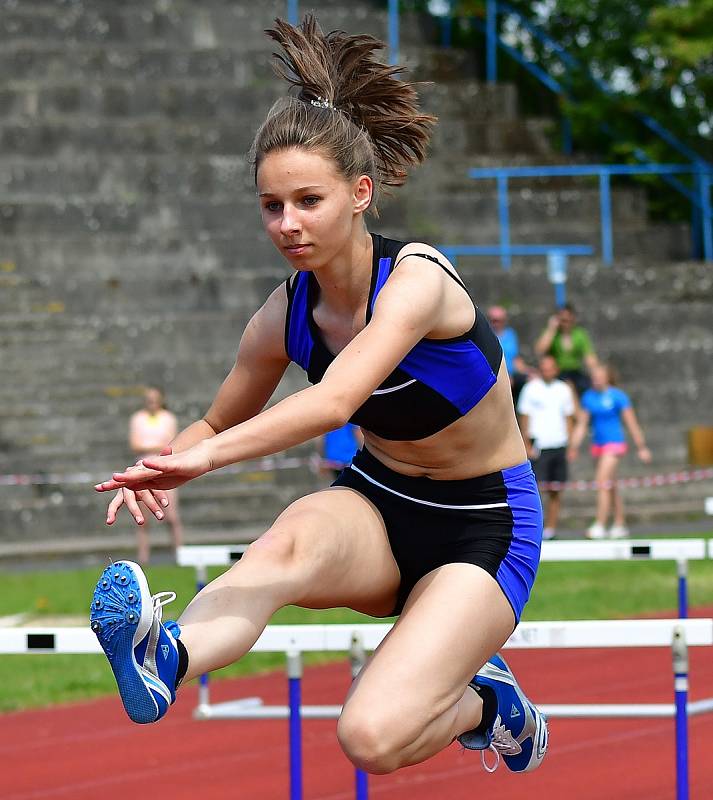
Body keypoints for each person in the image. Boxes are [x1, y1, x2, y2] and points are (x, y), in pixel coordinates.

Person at [89, 16, 547, 777]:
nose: (288, 223)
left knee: (370, 739)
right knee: (279, 551)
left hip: (483, 525)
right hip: (377, 501)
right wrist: (162, 462)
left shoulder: (418, 281)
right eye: (272, 205)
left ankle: (492, 706)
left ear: (361, 193)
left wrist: (200, 461)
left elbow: (334, 403)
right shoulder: (283, 315)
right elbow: (216, 417)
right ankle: (165, 658)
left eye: (308, 200)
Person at [568, 364, 651, 539]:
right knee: (610, 486)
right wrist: (573, 446)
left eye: (600, 375)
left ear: (607, 377)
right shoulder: (589, 397)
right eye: (594, 376)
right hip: (598, 445)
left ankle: (600, 523)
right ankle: (620, 523)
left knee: (601, 482)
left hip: (614, 444)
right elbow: (582, 424)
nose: (596, 379)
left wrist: (641, 447)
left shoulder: (618, 396)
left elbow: (631, 422)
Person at [517, 355, 576, 540]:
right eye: (544, 367)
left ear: (556, 369)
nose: (547, 371)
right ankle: (535, 528)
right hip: (538, 445)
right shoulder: (531, 388)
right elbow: (524, 416)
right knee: (537, 489)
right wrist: (526, 443)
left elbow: (569, 418)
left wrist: (571, 444)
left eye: (550, 367)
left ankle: (551, 528)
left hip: (558, 444)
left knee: (556, 489)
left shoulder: (563, 389)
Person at [127, 386, 184, 563]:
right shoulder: (138, 418)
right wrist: (157, 446)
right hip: (143, 468)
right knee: (143, 517)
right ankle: (143, 559)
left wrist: (150, 446)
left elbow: (173, 443)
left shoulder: (168, 418)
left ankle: (180, 555)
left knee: (172, 516)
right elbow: (135, 444)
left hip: (164, 467)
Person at [535, 303, 598, 397]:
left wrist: (596, 373)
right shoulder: (553, 334)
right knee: (567, 387)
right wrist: (551, 328)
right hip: (557, 373)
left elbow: (589, 356)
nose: (565, 323)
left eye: (568, 320)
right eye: (563, 320)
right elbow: (540, 350)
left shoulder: (580, 334)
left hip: (575, 372)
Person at [487, 305, 533, 404]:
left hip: (512, 377)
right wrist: (506, 376)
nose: (496, 323)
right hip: (496, 376)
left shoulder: (511, 335)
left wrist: (529, 371)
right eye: (493, 320)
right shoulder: (487, 336)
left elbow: (515, 359)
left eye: (499, 320)